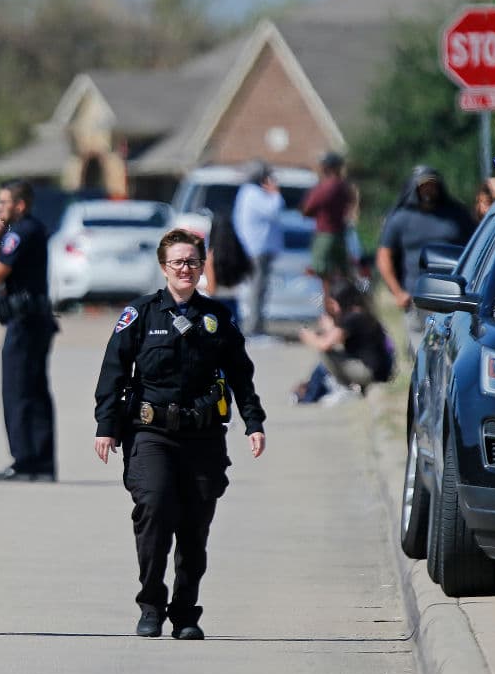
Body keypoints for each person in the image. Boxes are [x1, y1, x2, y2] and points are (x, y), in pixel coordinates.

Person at [93, 228, 267, 640]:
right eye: (177, 262)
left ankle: (185, 611)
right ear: (163, 267)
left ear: (202, 265)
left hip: (203, 437)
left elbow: (240, 374)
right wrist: (106, 427)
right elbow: (112, 373)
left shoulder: (217, 318)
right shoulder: (140, 315)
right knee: (153, 510)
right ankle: (151, 603)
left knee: (194, 527)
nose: (185, 269)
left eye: (192, 261)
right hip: (150, 433)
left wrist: (253, 421)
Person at [0, 179, 58, 482]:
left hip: (25, 322)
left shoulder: (21, 232)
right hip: (36, 320)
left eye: (4, 203)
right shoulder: (35, 229)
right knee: (36, 391)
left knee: (17, 391)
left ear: (20, 205)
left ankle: (25, 459)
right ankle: (41, 461)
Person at [376, 165, 475, 355]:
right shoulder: (400, 219)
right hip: (416, 297)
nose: (429, 190)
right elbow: (384, 257)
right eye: (424, 186)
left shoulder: (457, 215)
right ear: (415, 189)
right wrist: (397, 292)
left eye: (432, 185)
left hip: (453, 296)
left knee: (448, 352)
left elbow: (476, 246)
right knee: (420, 351)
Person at [294, 279, 394, 405]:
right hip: (378, 369)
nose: (333, 307)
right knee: (330, 357)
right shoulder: (361, 313)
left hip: (370, 372)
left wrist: (308, 336)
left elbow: (325, 344)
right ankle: (312, 390)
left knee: (327, 354)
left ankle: (344, 388)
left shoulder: (353, 317)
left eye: (334, 303)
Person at [232, 160, 285, 336]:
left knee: (259, 289)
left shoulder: (248, 193)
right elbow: (274, 209)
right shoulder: (253, 193)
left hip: (256, 248)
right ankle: (254, 327)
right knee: (257, 289)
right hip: (257, 248)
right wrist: (275, 192)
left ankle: (256, 325)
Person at [301, 151, 356, 311]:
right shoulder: (344, 187)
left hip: (325, 234)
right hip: (340, 234)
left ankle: (330, 311)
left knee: (325, 276)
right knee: (343, 274)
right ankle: (345, 308)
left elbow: (307, 209)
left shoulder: (326, 186)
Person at [202, 208, 252, 326]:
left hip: (215, 305)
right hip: (234, 303)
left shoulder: (212, 255)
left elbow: (211, 289)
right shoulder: (239, 254)